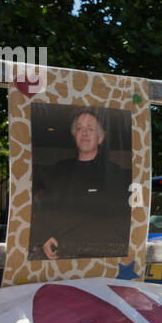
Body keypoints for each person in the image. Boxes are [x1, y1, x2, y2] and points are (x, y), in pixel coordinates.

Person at [31, 108, 132, 260]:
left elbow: (125, 221)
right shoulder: (57, 172)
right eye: (79, 128)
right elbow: (41, 210)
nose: (84, 133)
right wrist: (44, 236)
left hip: (105, 260)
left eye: (90, 129)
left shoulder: (119, 176)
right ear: (74, 136)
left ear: (100, 138)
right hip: (62, 259)